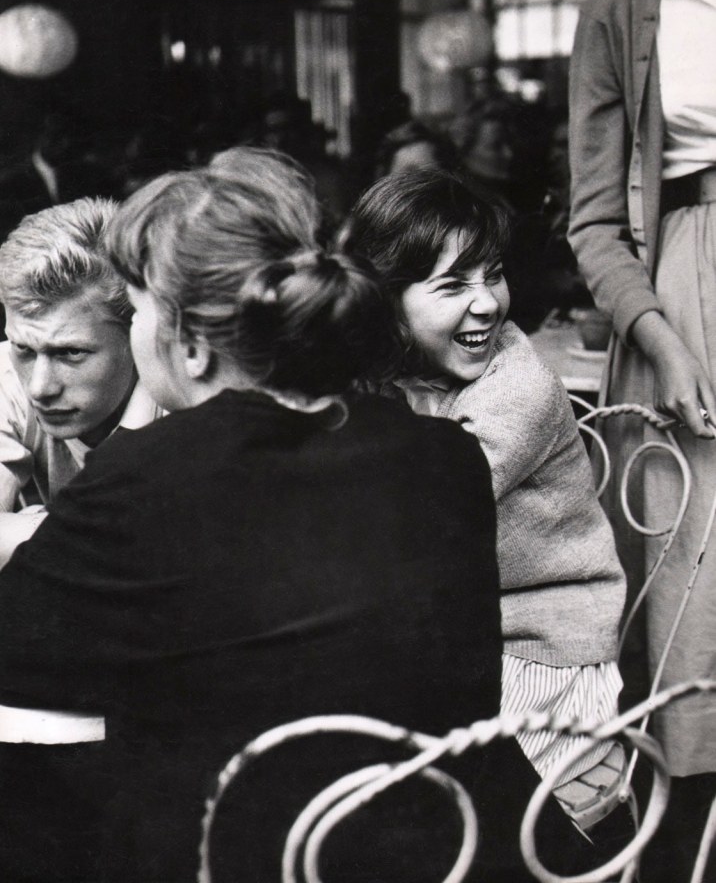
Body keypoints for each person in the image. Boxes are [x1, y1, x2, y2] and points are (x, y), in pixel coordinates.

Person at [0, 150, 584, 883]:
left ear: (186, 337)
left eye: (140, 308)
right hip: (461, 845)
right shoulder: (444, 454)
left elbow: (21, 661)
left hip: (254, 853)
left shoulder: (147, 478)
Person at [342, 170, 627, 826]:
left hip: (542, 655)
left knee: (459, 818)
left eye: (491, 275)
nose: (487, 303)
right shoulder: (396, 376)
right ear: (385, 304)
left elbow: (412, 518)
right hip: (459, 639)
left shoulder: (516, 389)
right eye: (451, 286)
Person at [569, 0, 716, 875]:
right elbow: (594, 222)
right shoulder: (622, 9)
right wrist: (660, 340)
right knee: (696, 593)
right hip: (691, 299)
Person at [0, 197, 163, 565]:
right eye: (24, 348)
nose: (40, 387)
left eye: (70, 353)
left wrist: (31, 532)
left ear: (135, 335)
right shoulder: (2, 375)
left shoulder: (189, 397)